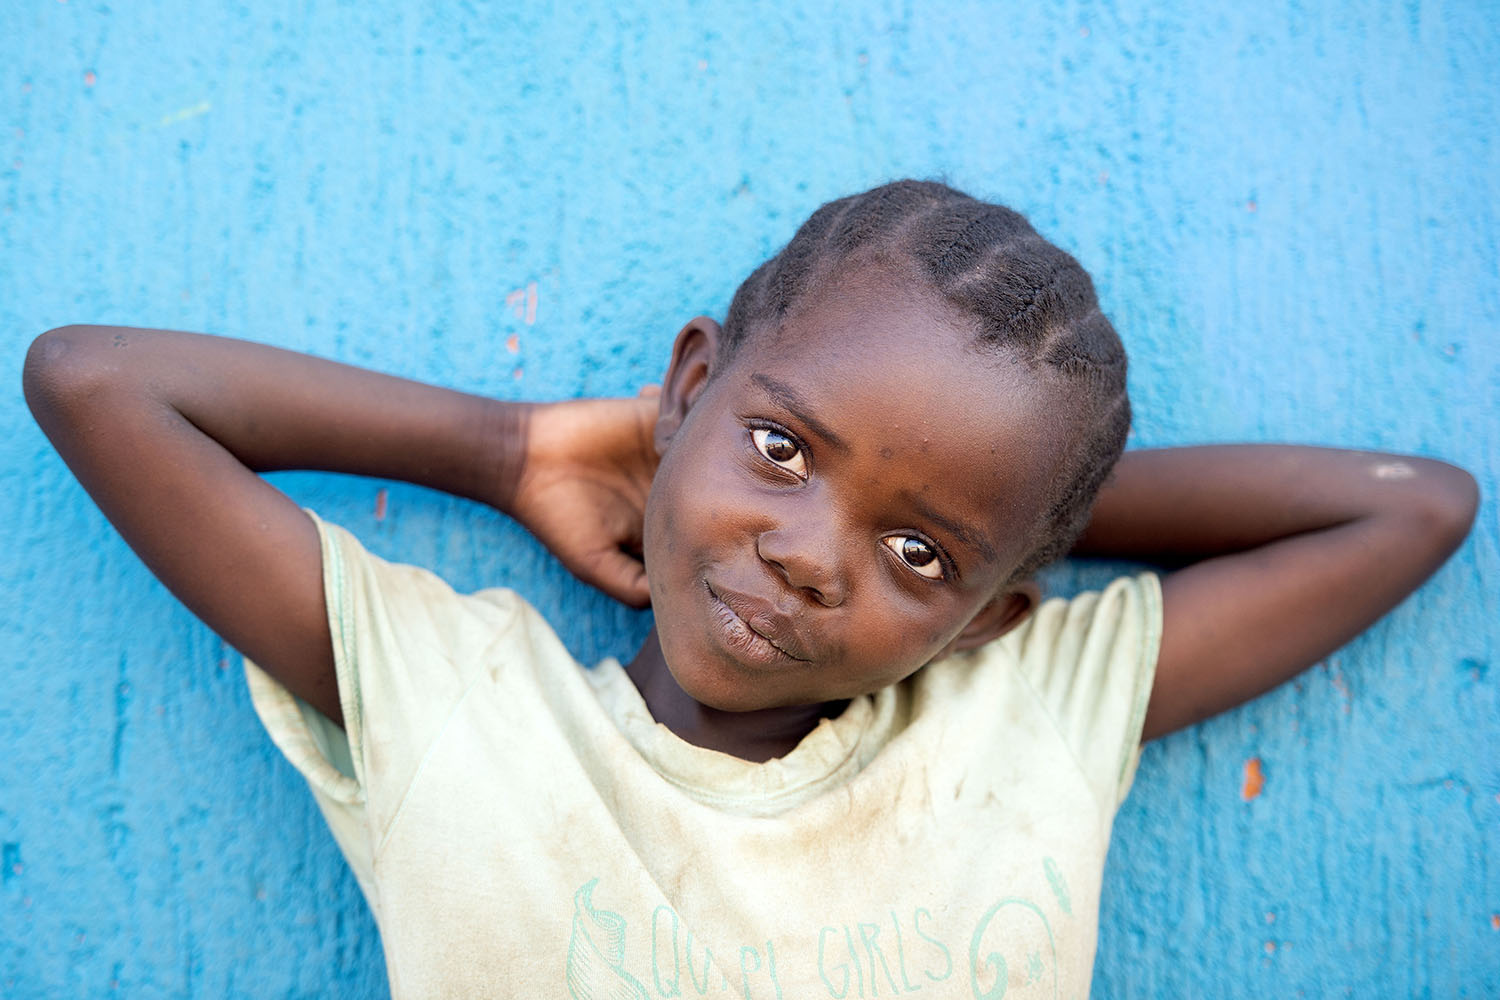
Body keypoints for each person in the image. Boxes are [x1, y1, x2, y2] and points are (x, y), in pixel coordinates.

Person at [22, 180, 1476, 998]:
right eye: (780, 448)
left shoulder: (1017, 710)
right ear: (692, 386)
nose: (805, 551)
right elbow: (97, 382)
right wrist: (513, 447)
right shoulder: (461, 707)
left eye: (916, 555)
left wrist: (1019, 526)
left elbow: (1408, 512)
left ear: (993, 616)